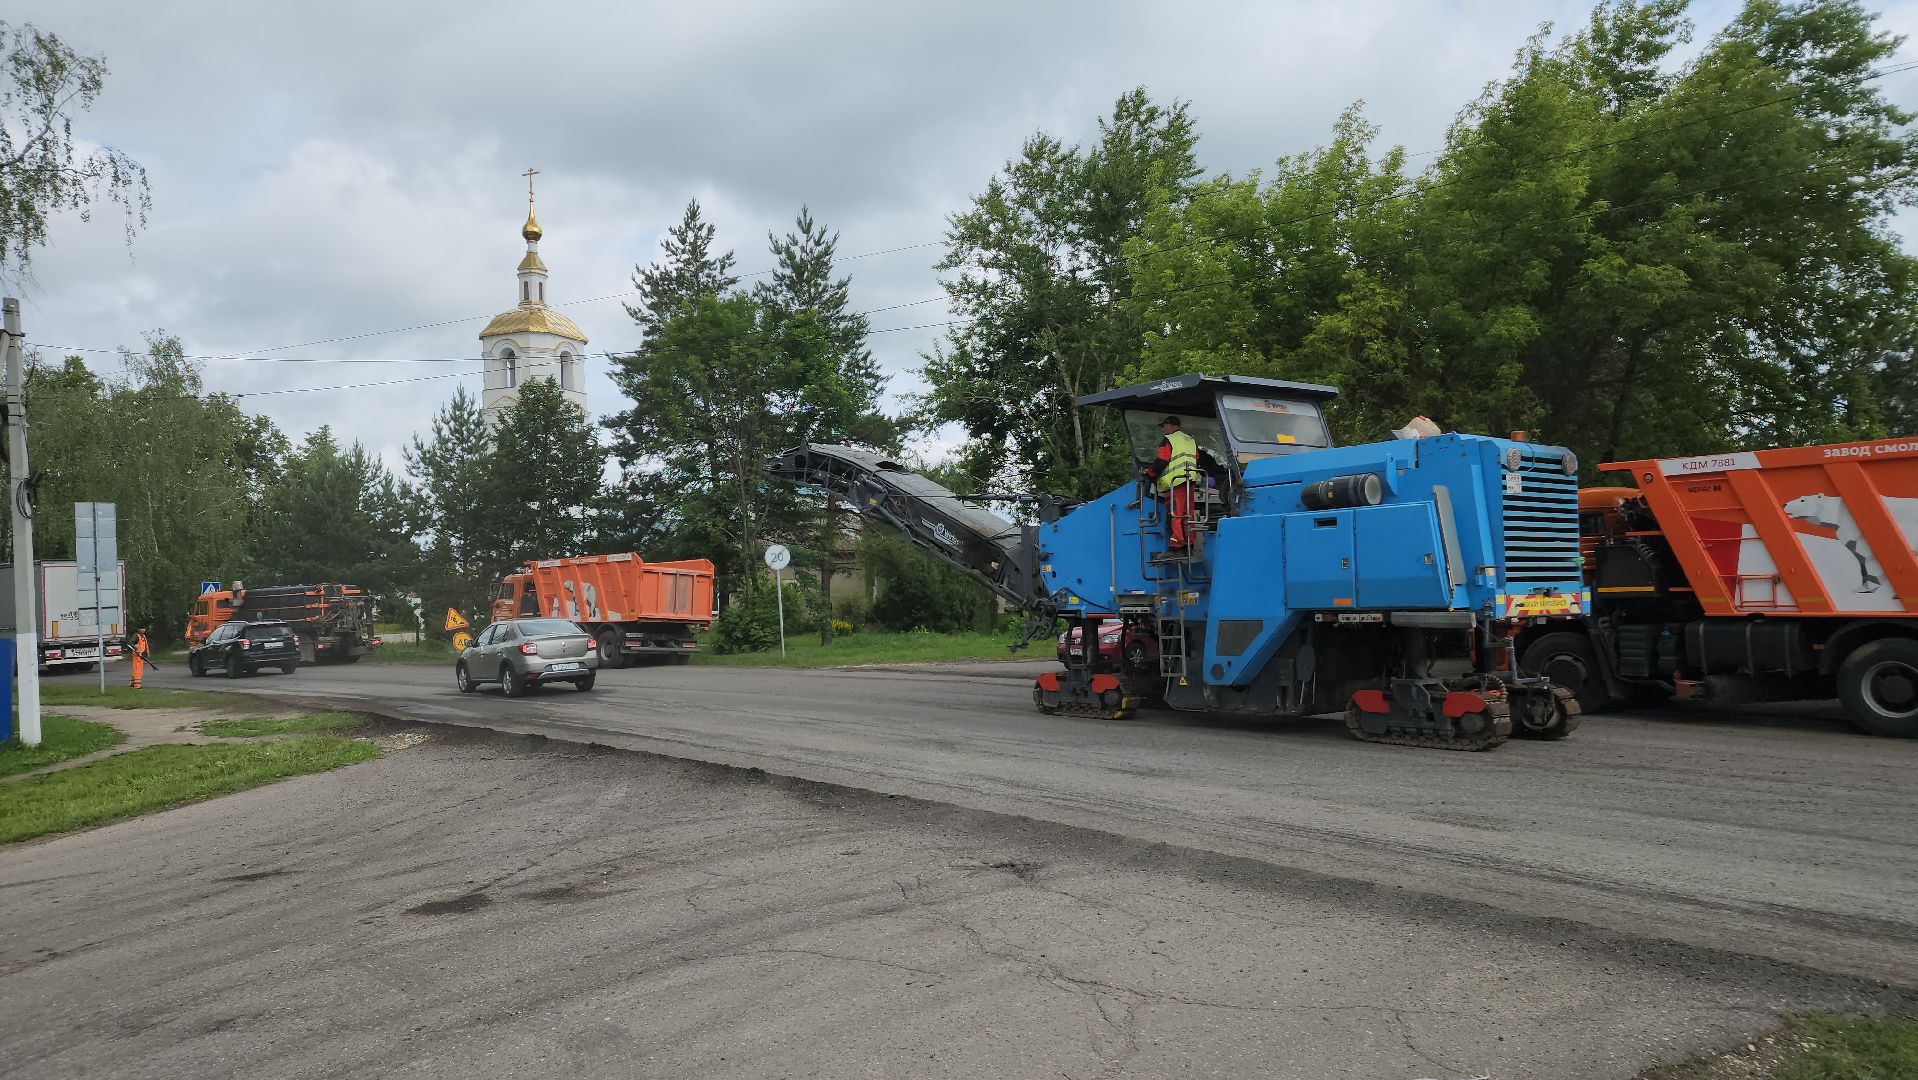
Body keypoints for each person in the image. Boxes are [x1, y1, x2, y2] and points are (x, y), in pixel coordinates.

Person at [1141, 415, 1202, 552]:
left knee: (1176, 514)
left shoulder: (1168, 440)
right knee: (1188, 514)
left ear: (1170, 425)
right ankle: (1189, 543)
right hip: (1190, 481)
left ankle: (1176, 545)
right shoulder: (1190, 440)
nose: (1163, 429)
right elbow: (1197, 458)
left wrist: (1150, 474)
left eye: (1164, 426)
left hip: (1176, 482)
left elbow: (1162, 461)